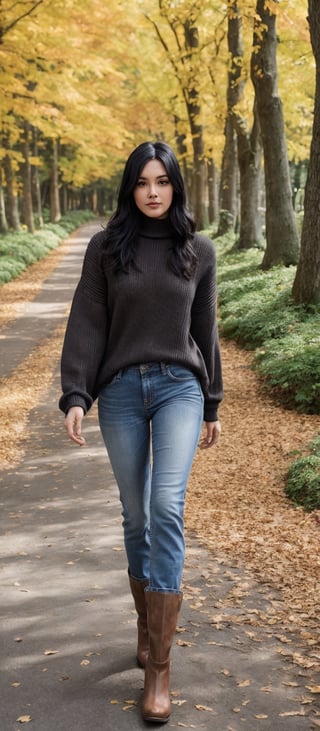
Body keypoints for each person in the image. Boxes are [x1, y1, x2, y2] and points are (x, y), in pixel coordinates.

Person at [59, 141, 223, 723]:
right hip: (123, 392)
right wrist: (76, 393)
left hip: (179, 387)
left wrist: (212, 403)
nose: (153, 191)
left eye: (163, 181)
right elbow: (87, 319)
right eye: (143, 182)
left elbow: (205, 328)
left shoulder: (196, 250)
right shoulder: (107, 249)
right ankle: (146, 622)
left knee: (165, 505)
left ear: (176, 186)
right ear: (130, 188)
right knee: (135, 513)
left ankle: (159, 668)